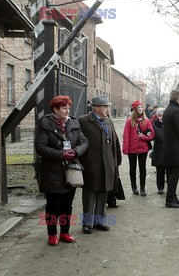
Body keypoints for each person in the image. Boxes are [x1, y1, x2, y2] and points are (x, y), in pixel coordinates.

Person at [35, 96, 89, 246]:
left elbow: (84, 142)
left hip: (70, 170)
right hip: (52, 171)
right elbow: (40, 147)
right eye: (64, 108)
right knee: (53, 205)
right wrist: (61, 154)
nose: (68, 110)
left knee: (67, 204)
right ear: (55, 109)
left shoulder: (73, 123)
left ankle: (65, 232)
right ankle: (52, 234)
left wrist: (76, 151)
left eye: (68, 107)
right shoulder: (45, 124)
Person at [79, 95, 121, 234]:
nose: (108, 109)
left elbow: (115, 143)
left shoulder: (108, 122)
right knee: (89, 195)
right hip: (91, 165)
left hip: (107, 165)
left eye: (108, 106)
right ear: (96, 108)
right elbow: (78, 143)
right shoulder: (84, 121)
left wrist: (115, 163)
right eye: (105, 106)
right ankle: (87, 223)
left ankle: (99, 221)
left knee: (103, 194)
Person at [122, 100, 155, 196]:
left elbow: (152, 134)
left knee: (142, 168)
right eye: (138, 108)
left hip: (143, 148)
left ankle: (142, 188)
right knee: (132, 168)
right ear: (135, 109)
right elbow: (126, 135)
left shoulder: (147, 120)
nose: (140, 109)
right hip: (132, 148)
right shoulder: (129, 121)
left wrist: (143, 137)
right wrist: (125, 149)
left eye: (141, 107)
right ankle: (134, 187)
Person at [151, 108, 168, 194]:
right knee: (160, 171)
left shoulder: (169, 125)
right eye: (159, 116)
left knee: (169, 170)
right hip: (158, 151)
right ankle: (160, 188)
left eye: (163, 116)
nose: (161, 117)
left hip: (168, 151)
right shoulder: (154, 125)